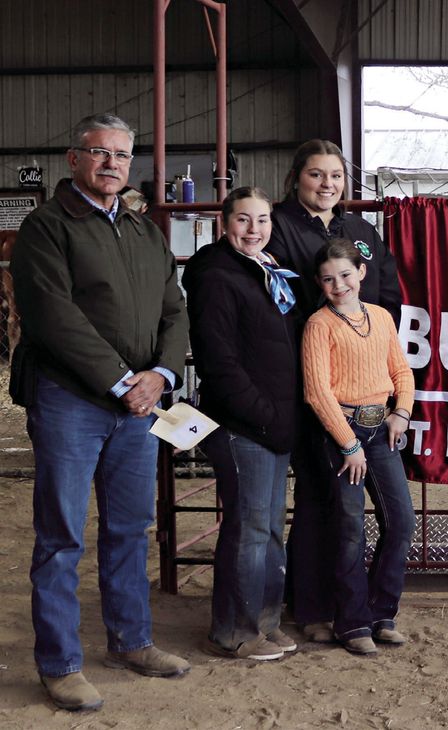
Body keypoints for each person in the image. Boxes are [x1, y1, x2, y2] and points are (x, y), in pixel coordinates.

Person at [9, 113, 190, 712]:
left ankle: (131, 641)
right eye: (99, 152)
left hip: (138, 403)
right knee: (61, 535)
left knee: (128, 528)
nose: (112, 163)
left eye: (121, 154)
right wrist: (121, 382)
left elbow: (175, 310)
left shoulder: (143, 232)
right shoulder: (46, 227)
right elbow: (54, 319)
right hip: (71, 401)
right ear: (73, 158)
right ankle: (59, 663)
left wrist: (161, 375)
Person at [266, 140, 403, 644]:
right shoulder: (277, 226)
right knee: (318, 500)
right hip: (307, 382)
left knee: (357, 509)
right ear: (296, 177)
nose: (327, 185)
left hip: (360, 383)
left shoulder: (361, 231)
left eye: (336, 176)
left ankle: (358, 608)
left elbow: (387, 297)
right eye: (316, 175)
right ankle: (310, 607)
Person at [183, 187, 301, 662]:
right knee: (249, 528)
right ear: (224, 222)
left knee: (269, 527)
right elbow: (219, 360)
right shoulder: (216, 276)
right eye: (243, 220)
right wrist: (263, 414)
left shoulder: (266, 269)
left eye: (263, 219)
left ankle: (265, 622)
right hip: (244, 424)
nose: (254, 229)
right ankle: (235, 630)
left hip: (274, 423)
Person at [302, 239, 416, 655]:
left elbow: (400, 370)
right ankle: (352, 623)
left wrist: (401, 413)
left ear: (361, 273)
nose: (339, 285)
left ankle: (381, 611)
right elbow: (317, 392)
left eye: (346, 275)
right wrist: (349, 445)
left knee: (401, 522)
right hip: (341, 433)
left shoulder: (382, 317)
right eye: (329, 279)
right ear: (320, 283)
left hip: (381, 427)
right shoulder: (319, 325)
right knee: (349, 529)